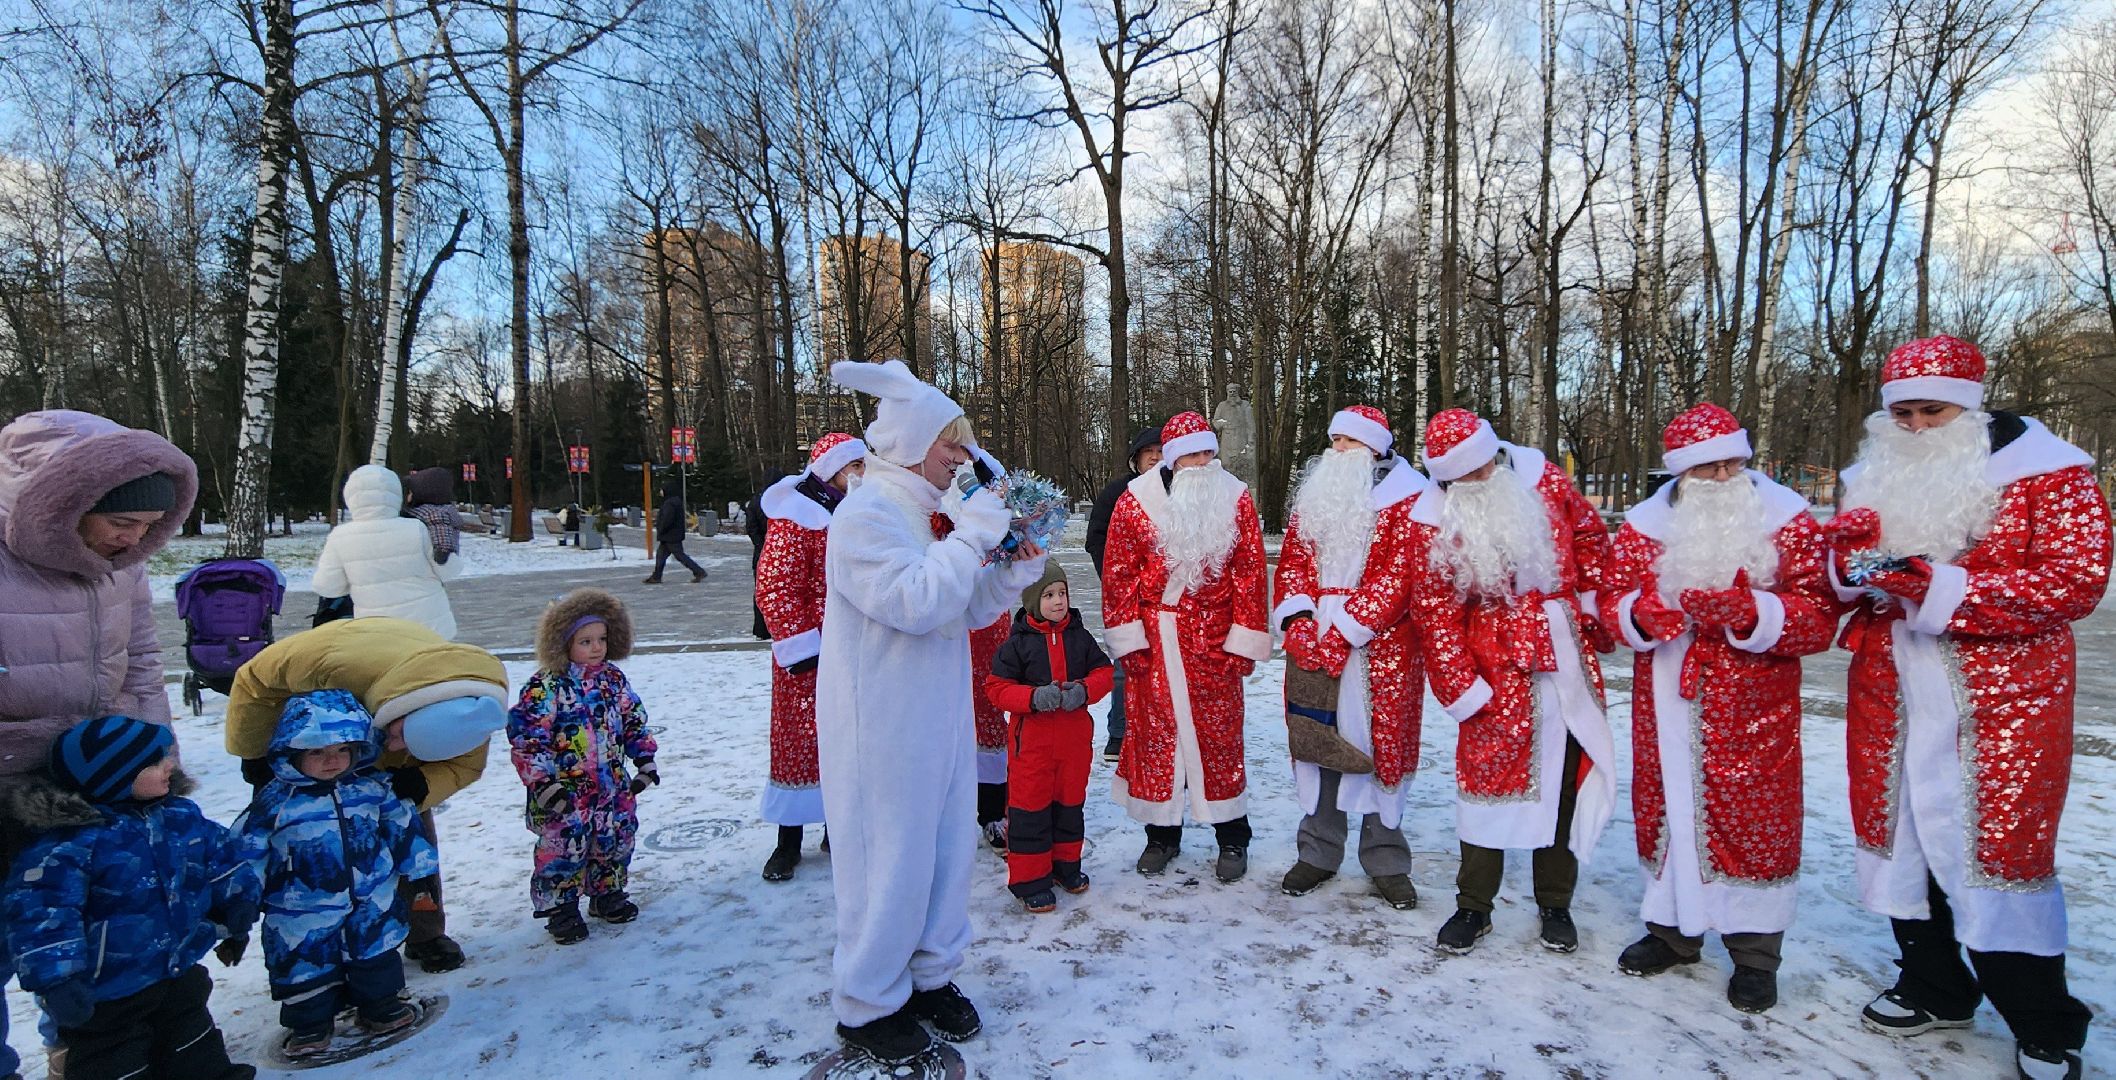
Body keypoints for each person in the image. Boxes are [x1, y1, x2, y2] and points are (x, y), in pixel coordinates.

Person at [1821, 336, 2108, 1080]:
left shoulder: (2050, 474)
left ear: (1971, 405)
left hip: (2004, 700)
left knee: (1998, 851)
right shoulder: (1872, 477)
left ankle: (2044, 1019)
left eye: (1933, 410)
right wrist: (1847, 564)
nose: (1917, 426)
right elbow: (1852, 585)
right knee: (1903, 836)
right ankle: (1935, 986)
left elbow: (2074, 582)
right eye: (1903, 413)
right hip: (1892, 694)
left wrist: (1939, 588)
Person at [814, 359, 1049, 1065]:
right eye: (953, 443)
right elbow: (913, 602)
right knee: (889, 858)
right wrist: (974, 537)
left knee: (943, 853)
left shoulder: (920, 513)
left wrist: (1009, 570)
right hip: (879, 726)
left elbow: (953, 610)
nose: (964, 458)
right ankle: (868, 1000)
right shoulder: (863, 516)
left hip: (934, 719)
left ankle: (928, 976)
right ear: (915, 442)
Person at [1604, 404, 1837, 1013]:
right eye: (1709, 467)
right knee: (1667, 810)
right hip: (1666, 698)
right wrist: (1637, 616)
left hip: (1752, 702)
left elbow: (1818, 616)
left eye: (1734, 461)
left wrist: (1754, 614)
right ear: (1681, 473)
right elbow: (1610, 600)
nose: (1725, 475)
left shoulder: (1786, 519)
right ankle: (1673, 933)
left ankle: (1756, 956)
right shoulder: (1644, 526)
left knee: (1754, 823)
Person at [0, 409, 197, 1080]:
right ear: (67, 504)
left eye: (147, 529)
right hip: (6, 787)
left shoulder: (124, 566)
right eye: (120, 524)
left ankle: (78, 1059)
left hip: (94, 785)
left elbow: (139, 661)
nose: (132, 541)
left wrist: (157, 754)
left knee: (89, 942)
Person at [1408, 407, 1618, 956]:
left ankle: (1556, 901)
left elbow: (1593, 540)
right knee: (1487, 786)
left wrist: (1592, 611)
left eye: (1481, 468)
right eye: (1461, 476)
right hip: (1493, 668)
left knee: (1565, 782)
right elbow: (1433, 609)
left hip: (1564, 659)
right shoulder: (1432, 521)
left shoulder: (1545, 481)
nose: (1475, 481)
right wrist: (1460, 685)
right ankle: (1474, 905)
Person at [225, 616, 508, 975]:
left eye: (406, 745)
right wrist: (254, 753)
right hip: (321, 735)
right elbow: (251, 681)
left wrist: (419, 786)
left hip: (392, 710)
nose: (391, 747)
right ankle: (315, 942)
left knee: (410, 830)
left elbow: (464, 767)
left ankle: (425, 933)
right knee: (310, 839)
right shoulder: (328, 661)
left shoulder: (469, 713)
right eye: (399, 734)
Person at [4, 715, 261, 1080]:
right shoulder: (70, 846)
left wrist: (239, 904)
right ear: (116, 776)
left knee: (193, 1043)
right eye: (156, 761)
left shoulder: (179, 816)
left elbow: (223, 859)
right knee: (113, 1063)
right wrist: (57, 980)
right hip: (107, 991)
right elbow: (42, 916)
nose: (170, 764)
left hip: (177, 967)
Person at [1099, 411, 1272, 883]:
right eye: (1193, 453)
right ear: (1173, 457)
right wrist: (1128, 639)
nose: (1203, 462)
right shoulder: (1135, 502)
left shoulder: (1234, 497)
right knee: (1157, 740)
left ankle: (1232, 837)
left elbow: (1251, 572)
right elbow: (1118, 573)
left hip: (1213, 641)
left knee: (1218, 740)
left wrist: (1243, 639)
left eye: (1209, 452)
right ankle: (1161, 837)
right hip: (1155, 641)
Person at [1271, 406, 1431, 911]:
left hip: (1383, 647)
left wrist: (1346, 629)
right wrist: (1297, 621)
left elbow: (1402, 574)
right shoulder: (1316, 498)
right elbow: (1294, 559)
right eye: (1333, 439)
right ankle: (1318, 851)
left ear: (1376, 447)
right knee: (1318, 737)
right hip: (1314, 636)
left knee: (1381, 747)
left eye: (1347, 442)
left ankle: (1385, 858)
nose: (1336, 450)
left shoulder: (1412, 497)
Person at [231, 690, 438, 1058]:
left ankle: (381, 1005)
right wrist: (234, 914)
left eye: (343, 750)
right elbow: (245, 856)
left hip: (371, 899)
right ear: (292, 751)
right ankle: (309, 1024)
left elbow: (402, 827)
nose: (332, 760)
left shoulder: (372, 789)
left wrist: (419, 872)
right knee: (305, 970)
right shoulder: (276, 803)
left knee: (375, 956)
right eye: (317, 752)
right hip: (300, 910)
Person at [507, 589, 658, 943]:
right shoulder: (546, 687)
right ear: (562, 643)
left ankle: (606, 893)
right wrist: (543, 782)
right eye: (585, 641)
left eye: (602, 639)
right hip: (565, 791)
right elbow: (528, 737)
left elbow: (633, 719)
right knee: (564, 848)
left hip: (611, 785)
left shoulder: (612, 680)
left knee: (614, 839)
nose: (596, 648)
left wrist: (644, 759)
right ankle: (561, 908)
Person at [755, 433, 866, 880]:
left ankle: (837, 829)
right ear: (833, 470)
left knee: (845, 743)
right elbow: (777, 586)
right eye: (854, 466)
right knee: (799, 744)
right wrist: (801, 646)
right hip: (809, 656)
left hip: (853, 651)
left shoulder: (857, 512)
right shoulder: (796, 515)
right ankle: (787, 842)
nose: (862, 474)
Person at [984, 562, 1113, 913]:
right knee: (1031, 813)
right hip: (1033, 749)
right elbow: (996, 688)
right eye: (1049, 595)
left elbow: (1104, 672)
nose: (1058, 601)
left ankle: (1065, 866)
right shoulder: (1017, 644)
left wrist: (1084, 691)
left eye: (1063, 593)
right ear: (1031, 600)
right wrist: (1031, 698)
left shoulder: (1079, 637)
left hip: (1073, 746)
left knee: (1069, 808)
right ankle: (1030, 881)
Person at [1084, 425, 1164, 763]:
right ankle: (1118, 733)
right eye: (1151, 455)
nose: (1157, 460)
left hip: (1167, 601)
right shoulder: (1119, 492)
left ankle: (1159, 732)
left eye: (1163, 455)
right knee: (1124, 662)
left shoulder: (1183, 493)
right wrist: (1115, 578)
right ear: (1137, 459)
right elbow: (1096, 537)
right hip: (1126, 595)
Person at [312, 465, 459, 639]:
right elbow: (450, 570)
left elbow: (328, 587)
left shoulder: (340, 537)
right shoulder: (417, 528)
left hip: (378, 633)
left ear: (350, 496)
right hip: (429, 628)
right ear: (396, 493)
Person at [644, 486, 706, 584]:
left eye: (661, 490)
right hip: (671, 535)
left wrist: (661, 528)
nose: (660, 492)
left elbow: (667, 519)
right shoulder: (674, 501)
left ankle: (699, 571)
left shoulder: (670, 503)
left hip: (670, 535)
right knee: (661, 556)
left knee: (679, 555)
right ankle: (656, 576)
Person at [404, 466, 462, 564]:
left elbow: (441, 529)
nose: (408, 496)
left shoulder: (435, 513)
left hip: (436, 559)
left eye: (410, 492)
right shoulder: (426, 510)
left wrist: (443, 550)